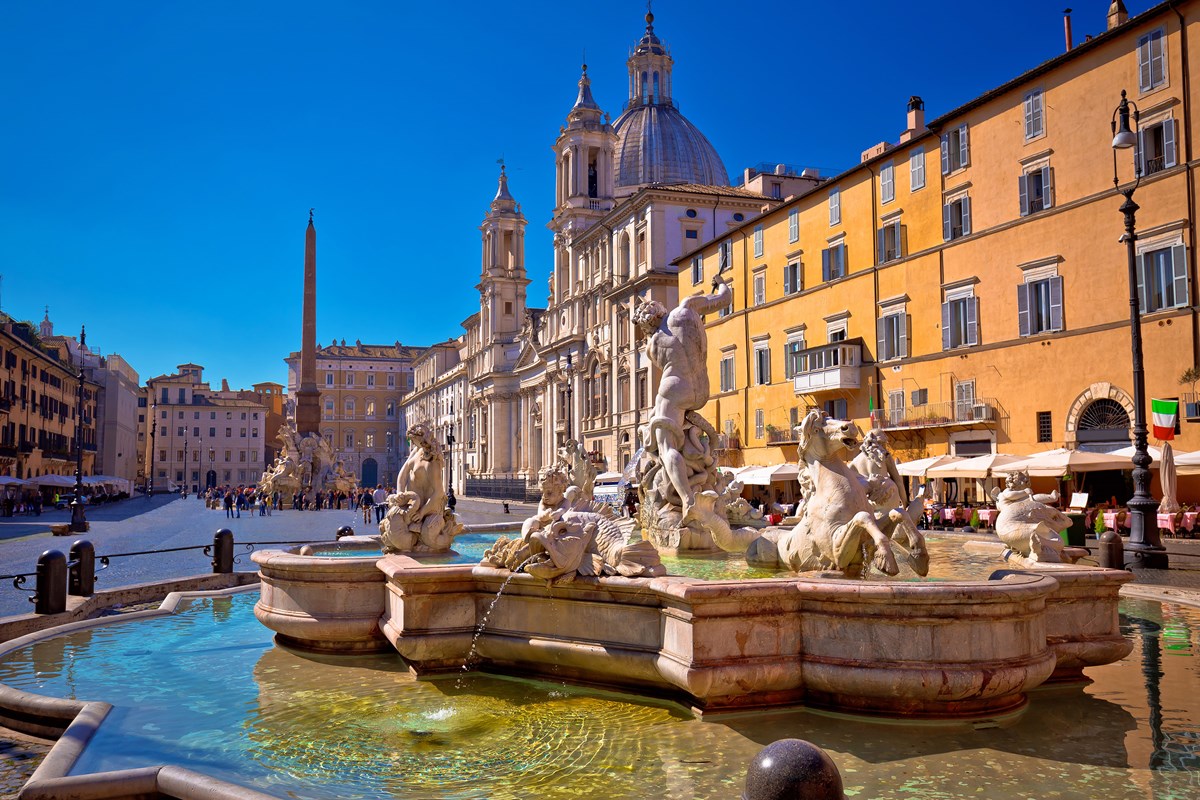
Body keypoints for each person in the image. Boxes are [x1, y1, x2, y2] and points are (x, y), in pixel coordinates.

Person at [633, 272, 732, 521]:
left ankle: (688, 499)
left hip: (674, 388)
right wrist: (719, 282)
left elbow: (663, 362)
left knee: (666, 446)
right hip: (701, 388)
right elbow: (724, 298)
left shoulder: (652, 345)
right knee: (676, 432)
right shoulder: (687, 307)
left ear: (647, 324)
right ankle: (692, 468)